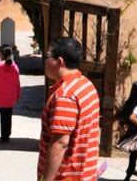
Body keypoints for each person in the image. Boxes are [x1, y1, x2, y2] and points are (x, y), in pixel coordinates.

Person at [38, 37, 100, 181]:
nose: (45, 61)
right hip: (85, 174)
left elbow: (60, 144)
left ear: (59, 61)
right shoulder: (86, 85)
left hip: (66, 176)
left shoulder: (65, 96)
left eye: (47, 56)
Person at [116, 81, 137, 181]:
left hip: (133, 132)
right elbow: (133, 117)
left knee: (134, 155)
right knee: (134, 155)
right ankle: (128, 175)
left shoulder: (133, 103)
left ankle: (131, 170)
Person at [0, 44, 21, 143]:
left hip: (0, 96)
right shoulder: (15, 67)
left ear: (2, 55)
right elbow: (17, 84)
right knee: (8, 115)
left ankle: (4, 136)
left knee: (3, 116)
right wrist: (17, 96)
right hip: (11, 97)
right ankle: (7, 134)